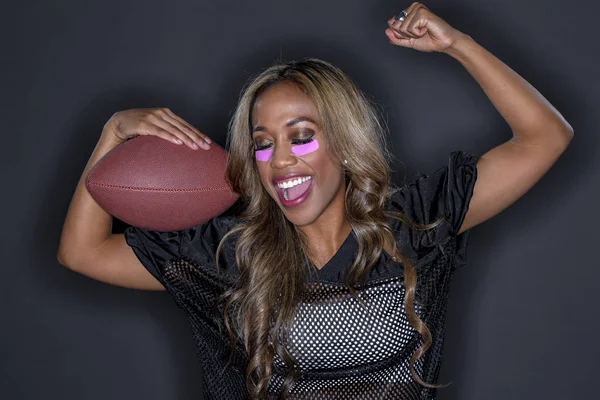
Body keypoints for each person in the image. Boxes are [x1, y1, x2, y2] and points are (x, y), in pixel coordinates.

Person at [57, 3, 573, 399]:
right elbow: (81, 252)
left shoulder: (415, 223)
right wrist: (113, 133)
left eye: (301, 135)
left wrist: (457, 44)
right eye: (263, 143)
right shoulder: (233, 254)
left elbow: (545, 136)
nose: (280, 160)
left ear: (345, 146)